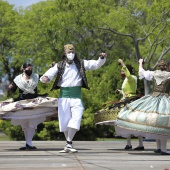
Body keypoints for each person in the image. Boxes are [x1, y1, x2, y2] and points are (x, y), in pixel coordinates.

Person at [40, 44, 107, 153]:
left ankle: (69, 143)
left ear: (74, 53)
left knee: (76, 118)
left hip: (76, 96)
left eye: (72, 52)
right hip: (64, 96)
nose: (70, 54)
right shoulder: (59, 65)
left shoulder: (81, 63)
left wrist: (101, 58)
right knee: (65, 121)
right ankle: (69, 143)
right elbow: (48, 75)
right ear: (65, 53)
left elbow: (95, 65)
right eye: (68, 52)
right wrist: (45, 78)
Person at [115, 58, 170, 155]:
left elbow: (141, 72)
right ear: (166, 67)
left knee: (155, 121)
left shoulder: (153, 73)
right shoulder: (169, 75)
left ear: (159, 66)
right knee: (163, 123)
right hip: (164, 100)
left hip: (153, 99)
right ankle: (164, 149)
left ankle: (158, 148)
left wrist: (140, 62)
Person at [94, 59, 144, 150]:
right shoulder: (127, 80)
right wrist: (120, 91)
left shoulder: (131, 78)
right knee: (126, 122)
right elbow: (127, 91)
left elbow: (130, 89)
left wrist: (122, 63)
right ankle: (129, 144)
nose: (122, 72)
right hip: (126, 99)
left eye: (123, 70)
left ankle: (140, 144)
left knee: (135, 122)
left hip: (131, 101)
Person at [6, 63, 58, 150]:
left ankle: (29, 143)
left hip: (35, 103)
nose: (30, 70)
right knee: (25, 122)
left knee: (32, 121)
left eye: (31, 69)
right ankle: (28, 143)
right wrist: (10, 88)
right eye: (28, 69)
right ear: (23, 69)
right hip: (22, 103)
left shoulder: (36, 76)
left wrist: (52, 69)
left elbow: (45, 78)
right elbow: (12, 91)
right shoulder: (17, 79)